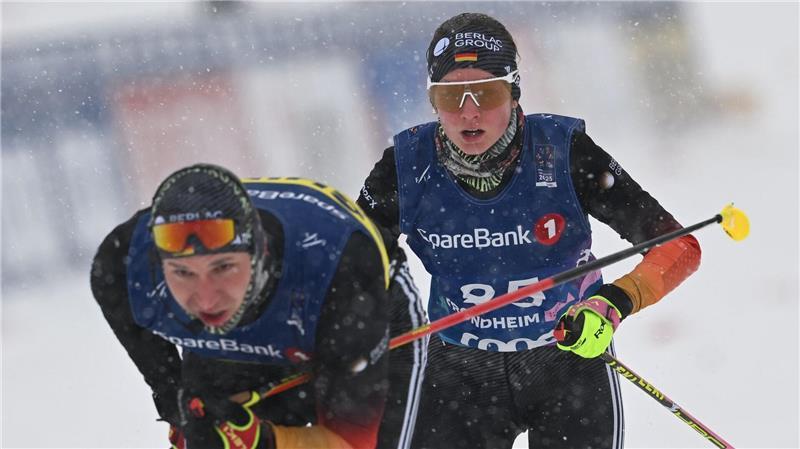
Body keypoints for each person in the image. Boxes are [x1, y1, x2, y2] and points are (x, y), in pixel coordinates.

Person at [357, 12, 702, 449]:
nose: (469, 112)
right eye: (449, 97)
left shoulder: (563, 151)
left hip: (567, 360)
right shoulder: (405, 166)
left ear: (514, 90)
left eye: (485, 92)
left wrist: (615, 301)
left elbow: (679, 246)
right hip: (459, 372)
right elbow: (355, 269)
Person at [91, 163, 427, 449]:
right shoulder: (120, 268)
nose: (206, 298)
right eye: (182, 273)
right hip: (261, 321)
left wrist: (261, 439)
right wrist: (176, 399)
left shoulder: (341, 274)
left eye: (224, 268)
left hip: (351, 304)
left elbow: (350, 442)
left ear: (259, 255)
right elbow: (178, 398)